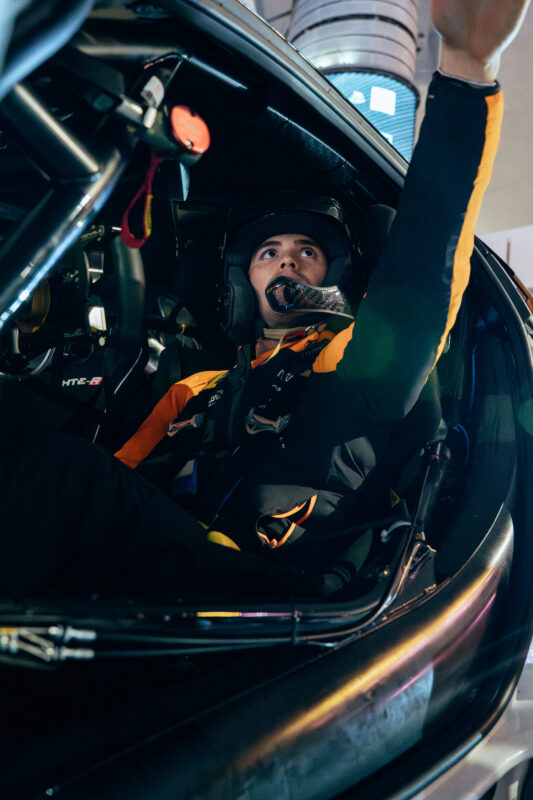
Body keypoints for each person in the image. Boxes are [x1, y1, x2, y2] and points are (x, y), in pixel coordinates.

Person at [1, 0, 529, 594]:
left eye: (308, 249)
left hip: (262, 586)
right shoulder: (195, 390)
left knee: (65, 474)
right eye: (268, 250)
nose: (287, 259)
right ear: (240, 278)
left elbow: (422, 272)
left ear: (336, 270)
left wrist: (466, 66)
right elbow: (121, 482)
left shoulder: (346, 361)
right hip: (165, 560)